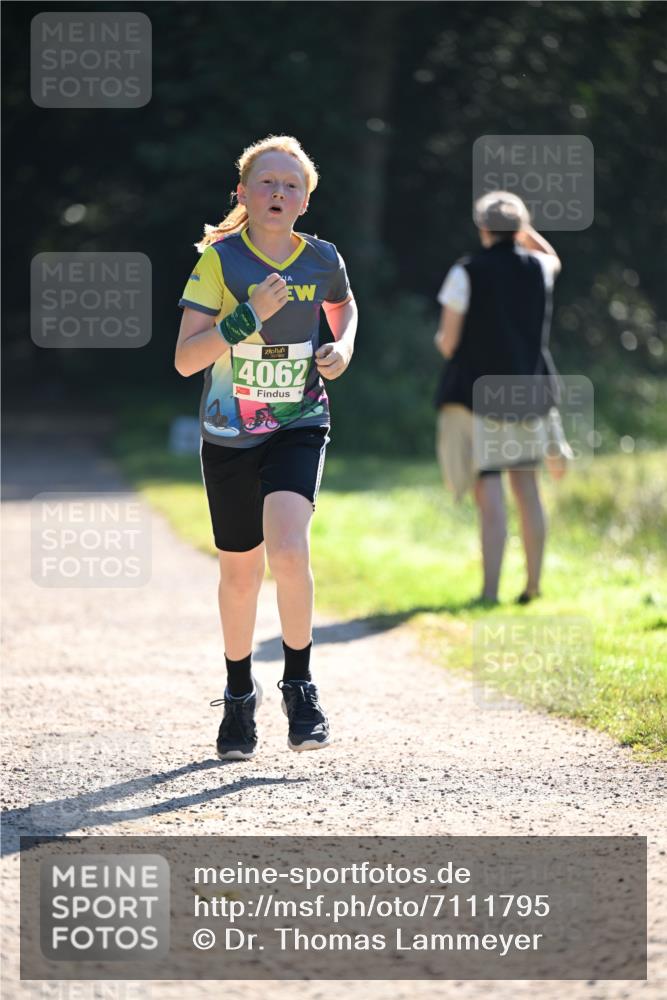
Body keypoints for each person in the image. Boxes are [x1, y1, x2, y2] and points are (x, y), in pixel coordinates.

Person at [174, 135, 357, 759]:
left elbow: (345, 307)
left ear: (305, 200)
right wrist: (243, 317)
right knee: (240, 572)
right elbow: (184, 359)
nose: (279, 192)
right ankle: (237, 696)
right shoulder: (220, 263)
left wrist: (342, 348)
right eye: (267, 183)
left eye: (291, 185)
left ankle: (300, 686)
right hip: (229, 431)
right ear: (244, 195)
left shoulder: (322, 258)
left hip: (299, 420)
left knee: (287, 547)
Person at [434, 191, 562, 605]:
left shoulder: (465, 272)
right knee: (527, 488)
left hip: (477, 395)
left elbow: (449, 344)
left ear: (482, 227)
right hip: (526, 391)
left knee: (489, 491)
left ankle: (489, 592)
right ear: (520, 228)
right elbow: (553, 258)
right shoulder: (539, 268)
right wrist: (525, 232)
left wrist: (442, 339)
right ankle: (534, 585)